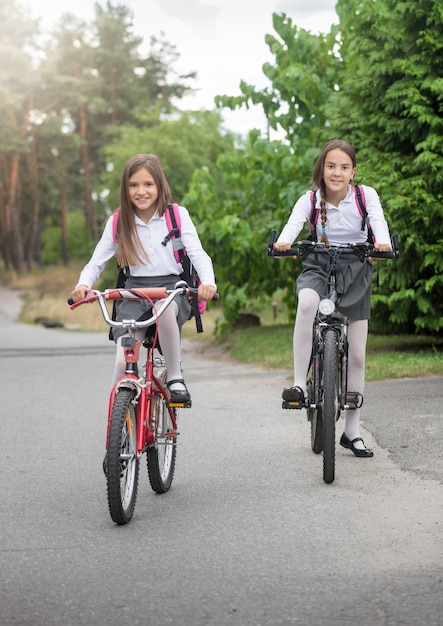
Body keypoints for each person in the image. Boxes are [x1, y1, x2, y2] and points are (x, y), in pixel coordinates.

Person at [274, 139, 392, 457]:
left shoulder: (366, 196)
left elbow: (378, 221)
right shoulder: (311, 199)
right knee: (307, 304)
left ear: (353, 172)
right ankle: (300, 382)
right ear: (322, 169)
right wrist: (285, 242)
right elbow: (294, 224)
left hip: (356, 265)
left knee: (357, 355)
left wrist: (380, 242)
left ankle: (352, 432)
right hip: (319, 261)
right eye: (330, 166)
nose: (336, 172)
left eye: (343, 167)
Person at [71, 153, 217, 406]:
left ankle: (174, 377)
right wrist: (83, 285)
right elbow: (96, 262)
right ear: (125, 189)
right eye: (133, 185)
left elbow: (198, 254)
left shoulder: (177, 215)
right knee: (121, 363)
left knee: (164, 309)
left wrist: (208, 283)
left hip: (172, 289)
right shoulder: (118, 222)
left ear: (160, 186)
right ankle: (121, 425)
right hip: (132, 293)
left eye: (148, 184)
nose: (141, 191)